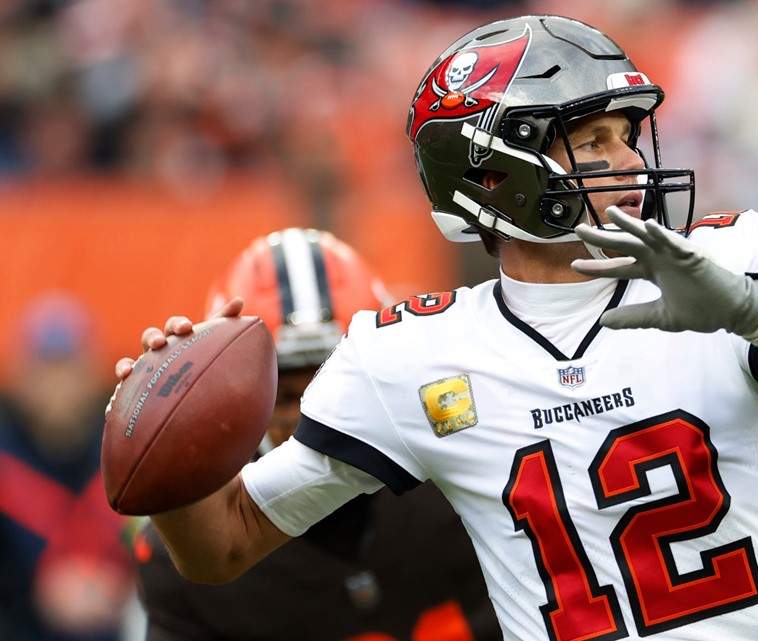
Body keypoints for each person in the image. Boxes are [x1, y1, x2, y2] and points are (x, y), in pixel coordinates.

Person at [110, 15, 758, 640]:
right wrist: (164, 431)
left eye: (626, 134)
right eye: (592, 141)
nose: (629, 163)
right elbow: (220, 548)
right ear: (492, 174)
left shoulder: (737, 259)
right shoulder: (410, 355)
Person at [130, 227, 500, 641]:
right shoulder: (195, 545)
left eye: (329, 386)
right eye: (283, 394)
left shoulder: (461, 475)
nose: (312, 417)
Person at [1, 292, 134, 641]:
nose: (58, 388)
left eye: (69, 369)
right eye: (45, 370)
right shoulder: (6, 453)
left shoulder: (128, 445)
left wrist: (124, 587)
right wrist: (34, 593)